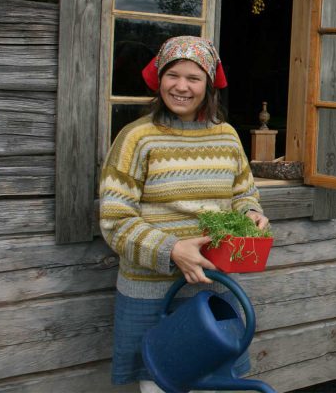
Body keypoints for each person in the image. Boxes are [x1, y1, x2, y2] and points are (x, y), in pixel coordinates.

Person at [99, 36, 269, 391]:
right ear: (159, 79)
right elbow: (115, 220)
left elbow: (243, 193)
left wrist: (250, 213)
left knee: (214, 383)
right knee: (159, 384)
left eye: (193, 78)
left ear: (208, 85)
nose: (181, 86)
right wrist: (172, 249)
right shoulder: (136, 138)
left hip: (213, 287)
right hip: (151, 291)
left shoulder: (227, 137)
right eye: (173, 75)